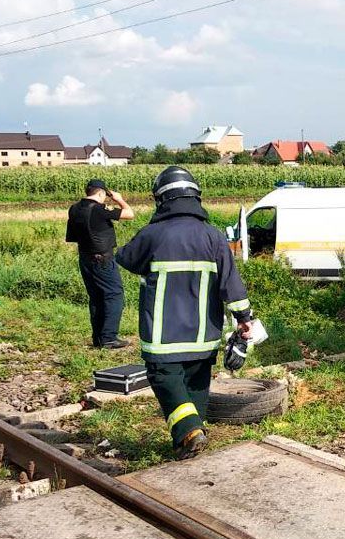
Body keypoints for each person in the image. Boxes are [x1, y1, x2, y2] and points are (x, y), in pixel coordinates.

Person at [116, 167, 255, 460]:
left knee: (166, 380)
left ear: (162, 200)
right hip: (204, 336)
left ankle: (191, 430)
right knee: (196, 384)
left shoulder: (154, 234)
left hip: (163, 337)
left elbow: (126, 258)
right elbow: (232, 284)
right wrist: (244, 319)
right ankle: (189, 441)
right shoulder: (213, 236)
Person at [66, 179, 134, 349]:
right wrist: (118, 199)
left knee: (96, 298)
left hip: (85, 258)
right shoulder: (99, 209)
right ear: (101, 193)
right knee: (114, 295)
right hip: (102, 259)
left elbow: (72, 236)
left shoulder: (74, 209)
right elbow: (129, 214)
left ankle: (99, 338)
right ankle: (109, 337)